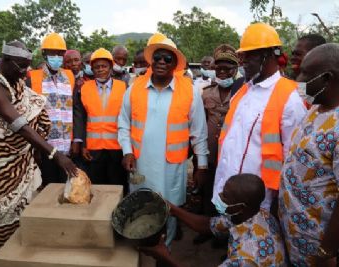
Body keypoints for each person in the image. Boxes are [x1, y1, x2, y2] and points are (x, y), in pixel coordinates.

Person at [0, 40, 77, 252]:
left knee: (29, 208)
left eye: (28, 65)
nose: (26, 71)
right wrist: (55, 153)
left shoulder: (16, 80)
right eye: (21, 66)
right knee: (2, 211)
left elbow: (34, 106)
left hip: (23, 159)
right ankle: (5, 255)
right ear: (6, 61)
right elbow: (19, 124)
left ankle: (27, 252)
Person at [118, 37, 208, 246]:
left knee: (170, 209)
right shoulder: (135, 87)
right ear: (151, 61)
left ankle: (164, 252)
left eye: (168, 59)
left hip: (171, 167)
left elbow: (199, 132)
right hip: (140, 165)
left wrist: (201, 166)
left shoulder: (189, 91)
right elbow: (123, 124)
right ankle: (143, 247)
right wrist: (127, 151)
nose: (161, 62)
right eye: (157, 57)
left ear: (175, 64)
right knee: (142, 208)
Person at [213, 23, 307, 212]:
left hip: (259, 202)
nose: (244, 61)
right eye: (243, 55)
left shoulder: (291, 98)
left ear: (272, 54)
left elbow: (293, 159)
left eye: (251, 54)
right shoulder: (243, 91)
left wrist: (277, 202)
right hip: (226, 191)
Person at [141, 174, 287, 267]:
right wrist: (172, 209)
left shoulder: (247, 256)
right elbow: (208, 225)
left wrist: (164, 257)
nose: (220, 197)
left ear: (242, 206)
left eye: (225, 196)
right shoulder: (257, 215)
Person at [279, 43, 339, 267]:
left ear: (327, 79)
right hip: (297, 235)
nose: (298, 76)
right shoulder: (315, 108)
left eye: (305, 72)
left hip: (319, 247)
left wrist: (327, 251)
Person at [74, 48, 127, 189]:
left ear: (110, 67)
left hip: (117, 147)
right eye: (96, 67)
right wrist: (83, 144)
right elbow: (81, 119)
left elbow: (128, 119)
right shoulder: (84, 88)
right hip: (93, 149)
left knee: (117, 185)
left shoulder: (124, 87)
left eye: (104, 66)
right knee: (97, 187)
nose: (100, 70)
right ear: (91, 69)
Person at [28, 33, 75, 186]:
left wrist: (77, 140)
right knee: (49, 186)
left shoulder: (69, 76)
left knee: (67, 185)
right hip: (45, 146)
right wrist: (34, 147)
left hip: (67, 144)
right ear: (44, 54)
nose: (56, 57)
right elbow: (30, 114)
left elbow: (75, 109)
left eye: (60, 53)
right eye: (52, 53)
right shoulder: (33, 77)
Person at [201, 44, 240, 216]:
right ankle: (206, 223)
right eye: (219, 68)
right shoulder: (206, 93)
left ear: (236, 69)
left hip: (231, 153)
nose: (222, 72)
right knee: (207, 187)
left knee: (228, 191)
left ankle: (223, 227)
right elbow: (201, 123)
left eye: (227, 68)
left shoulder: (242, 93)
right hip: (210, 150)